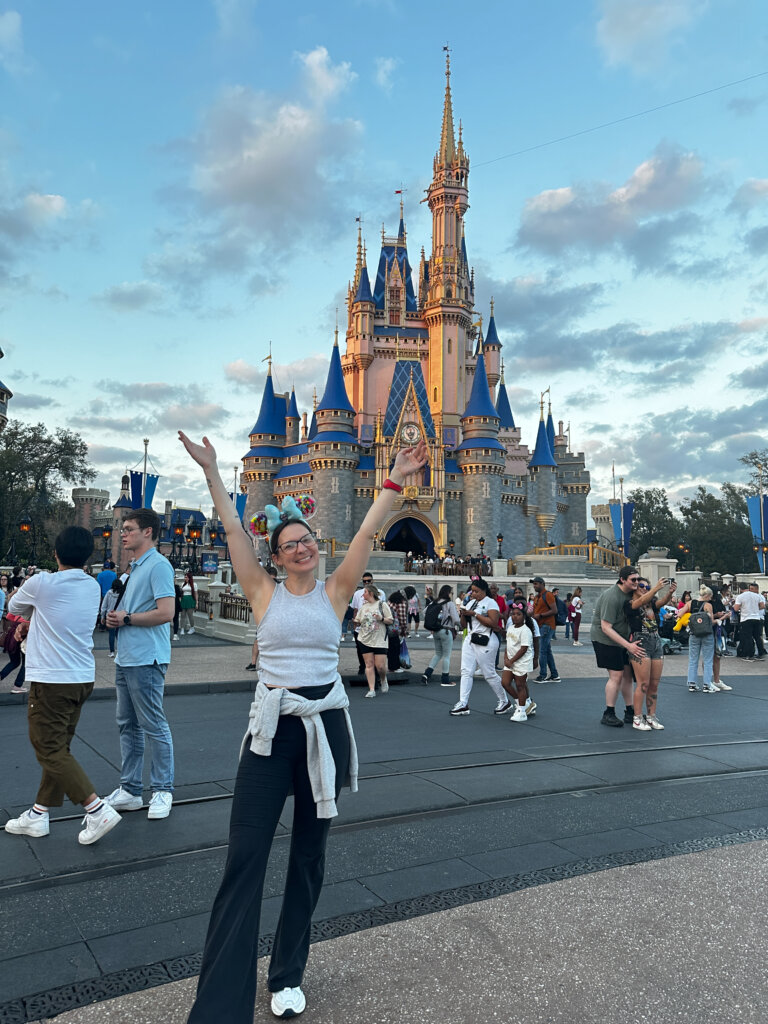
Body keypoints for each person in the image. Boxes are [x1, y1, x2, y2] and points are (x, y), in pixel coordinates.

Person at [179, 430, 426, 1022]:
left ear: (317, 544)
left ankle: (288, 972)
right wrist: (215, 472)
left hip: (325, 732)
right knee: (245, 859)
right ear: (275, 554)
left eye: (306, 540)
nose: (301, 549)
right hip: (270, 734)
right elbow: (234, 530)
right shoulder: (262, 592)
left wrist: (393, 476)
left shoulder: (337, 593)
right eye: (289, 544)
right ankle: (219, 1007)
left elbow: (368, 532)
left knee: (309, 859)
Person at [4, 527, 121, 846]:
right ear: (87, 556)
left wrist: (28, 612)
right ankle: (39, 814)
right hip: (81, 676)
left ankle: (97, 809)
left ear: (56, 553)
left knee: (49, 748)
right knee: (59, 748)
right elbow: (56, 616)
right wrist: (34, 620)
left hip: (52, 680)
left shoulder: (42, 582)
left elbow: (13, 608)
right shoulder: (92, 586)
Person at [104, 509, 176, 821]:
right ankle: (131, 789)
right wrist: (117, 619)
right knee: (127, 725)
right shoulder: (135, 567)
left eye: (130, 529)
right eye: (123, 528)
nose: (123, 533)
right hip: (127, 655)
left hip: (147, 657)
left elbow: (167, 612)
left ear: (147, 532)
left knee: (153, 724)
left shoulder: (158, 565)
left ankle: (162, 789)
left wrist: (128, 618)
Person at [590, 566, 647, 727]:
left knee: (628, 674)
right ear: (622, 580)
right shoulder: (612, 596)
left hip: (621, 639)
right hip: (605, 639)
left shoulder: (630, 594)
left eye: (638, 579)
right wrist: (629, 646)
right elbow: (606, 627)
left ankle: (630, 710)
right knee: (616, 675)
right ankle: (609, 712)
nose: (637, 582)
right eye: (633, 580)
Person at [450, 578, 508, 716]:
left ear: (483, 591)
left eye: (476, 591)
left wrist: (475, 614)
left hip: (485, 640)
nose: (473, 594)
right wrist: (464, 614)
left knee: (489, 674)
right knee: (466, 671)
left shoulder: (490, 603)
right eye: (472, 591)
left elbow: (494, 623)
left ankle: (504, 700)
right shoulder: (471, 602)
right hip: (470, 638)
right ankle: (463, 703)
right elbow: (464, 625)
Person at [625, 576, 677, 730]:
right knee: (643, 683)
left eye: (646, 587)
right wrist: (655, 588)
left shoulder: (651, 603)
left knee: (654, 684)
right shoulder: (629, 603)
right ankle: (637, 717)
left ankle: (651, 716)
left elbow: (660, 603)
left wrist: (669, 592)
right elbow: (638, 604)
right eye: (641, 585)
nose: (644, 589)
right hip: (641, 642)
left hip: (655, 641)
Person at [354, 585, 393, 697]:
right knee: (369, 664)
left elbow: (390, 620)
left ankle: (383, 678)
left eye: (365, 592)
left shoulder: (382, 604)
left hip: (380, 639)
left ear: (371, 593)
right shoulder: (363, 607)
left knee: (380, 666)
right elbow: (358, 620)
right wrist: (355, 621)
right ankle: (371, 689)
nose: (362, 595)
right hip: (365, 638)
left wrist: (380, 618)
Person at [677, 585, 717, 692]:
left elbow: (679, 614)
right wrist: (720, 619)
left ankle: (692, 683)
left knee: (693, 659)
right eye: (711, 596)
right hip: (706, 634)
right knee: (708, 659)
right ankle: (707, 684)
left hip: (694, 634)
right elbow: (711, 621)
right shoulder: (708, 605)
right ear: (707, 595)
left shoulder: (690, 603)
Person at [501, 603, 536, 722]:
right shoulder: (510, 628)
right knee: (505, 683)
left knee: (520, 685)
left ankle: (521, 711)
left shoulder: (525, 630)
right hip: (510, 661)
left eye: (518, 614)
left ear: (524, 616)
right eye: (513, 614)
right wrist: (506, 659)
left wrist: (512, 660)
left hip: (521, 662)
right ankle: (522, 703)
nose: (515, 617)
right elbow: (508, 645)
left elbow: (523, 649)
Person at [421, 584, 461, 686]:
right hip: (446, 631)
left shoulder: (434, 602)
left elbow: (424, 612)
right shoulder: (450, 604)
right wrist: (461, 624)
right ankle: (445, 679)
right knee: (446, 656)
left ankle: (427, 674)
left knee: (438, 653)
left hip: (436, 631)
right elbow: (456, 619)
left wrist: (435, 623)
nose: (452, 594)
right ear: (448, 593)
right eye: (451, 592)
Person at [350, 572, 385, 677]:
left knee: (374, 649)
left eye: (368, 581)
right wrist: (355, 624)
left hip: (375, 626)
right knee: (360, 649)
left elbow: (383, 609)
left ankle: (374, 670)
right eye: (364, 581)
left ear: (372, 581)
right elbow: (355, 609)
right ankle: (362, 667)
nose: (366, 583)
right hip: (361, 626)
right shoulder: (357, 594)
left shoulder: (380, 593)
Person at [530, 577, 561, 683]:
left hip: (546, 625)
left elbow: (554, 610)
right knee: (547, 651)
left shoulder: (548, 595)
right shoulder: (537, 597)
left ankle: (542, 675)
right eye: (534, 584)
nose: (534, 586)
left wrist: (541, 615)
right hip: (541, 626)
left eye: (536, 584)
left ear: (543, 584)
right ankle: (554, 675)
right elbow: (534, 611)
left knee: (542, 651)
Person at [734, 583, 766, 661]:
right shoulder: (757, 596)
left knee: (747, 637)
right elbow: (762, 606)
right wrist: (754, 608)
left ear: (741, 589)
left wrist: (743, 608)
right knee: (757, 636)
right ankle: (761, 652)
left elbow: (736, 608)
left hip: (746, 618)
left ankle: (749, 654)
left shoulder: (740, 596)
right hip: (756, 618)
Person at [100, 578, 125, 658]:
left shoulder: (109, 593)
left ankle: (112, 651)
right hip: (120, 615)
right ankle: (121, 651)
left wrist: (102, 615)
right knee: (120, 635)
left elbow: (104, 605)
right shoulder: (123, 593)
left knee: (111, 634)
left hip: (110, 615)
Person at [179, 570, 196, 635]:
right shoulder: (183, 584)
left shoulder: (194, 584)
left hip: (190, 599)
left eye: (186, 577)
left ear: (189, 578)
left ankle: (192, 628)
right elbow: (181, 593)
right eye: (185, 577)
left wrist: (196, 602)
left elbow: (196, 593)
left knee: (190, 615)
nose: (185, 578)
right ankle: (182, 629)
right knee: (182, 615)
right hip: (184, 599)